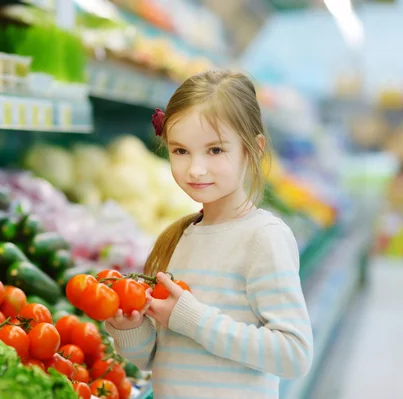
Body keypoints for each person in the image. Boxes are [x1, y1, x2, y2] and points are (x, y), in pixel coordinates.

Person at [105, 70, 314, 399]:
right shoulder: (179, 238)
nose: (195, 169)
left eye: (215, 150)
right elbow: (155, 359)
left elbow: (293, 355)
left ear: (253, 149)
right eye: (180, 151)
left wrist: (192, 317)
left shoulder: (264, 237)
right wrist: (129, 329)